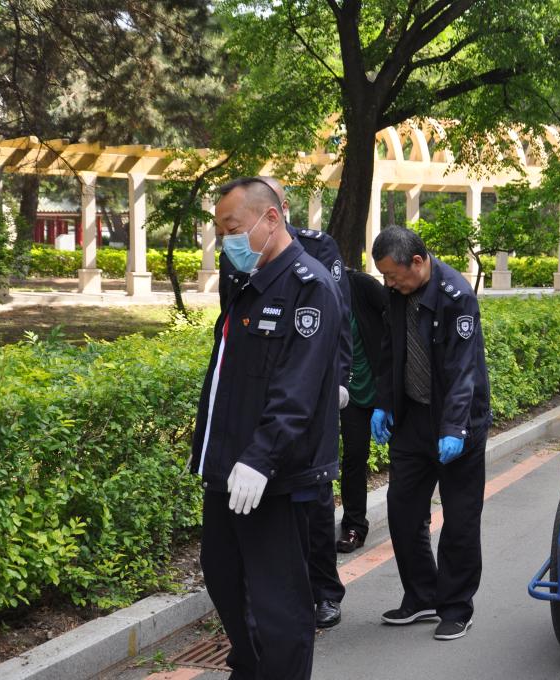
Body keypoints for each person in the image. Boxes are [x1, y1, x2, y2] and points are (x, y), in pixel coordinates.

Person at [190, 177, 343, 679]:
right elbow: (230, 378)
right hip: (228, 470)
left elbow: (297, 390)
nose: (226, 241)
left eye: (233, 228)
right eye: (220, 231)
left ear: (271, 218)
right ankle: (251, 666)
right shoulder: (246, 282)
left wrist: (260, 457)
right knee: (223, 576)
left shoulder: (309, 286)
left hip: (273, 477)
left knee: (280, 604)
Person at [370, 226, 491, 641]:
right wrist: (385, 402)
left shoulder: (456, 296)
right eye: (384, 276)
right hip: (413, 420)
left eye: (392, 275)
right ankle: (421, 594)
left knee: (459, 519)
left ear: (418, 262)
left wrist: (454, 428)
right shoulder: (396, 293)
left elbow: (463, 370)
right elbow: (390, 350)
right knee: (403, 510)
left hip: (457, 423)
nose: (389, 283)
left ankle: (456, 606)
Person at [336, 268, 389, 553]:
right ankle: (354, 526)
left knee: (404, 455)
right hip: (350, 393)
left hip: (385, 387)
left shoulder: (362, 286)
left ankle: (413, 519)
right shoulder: (315, 290)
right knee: (354, 457)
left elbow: (398, 321)